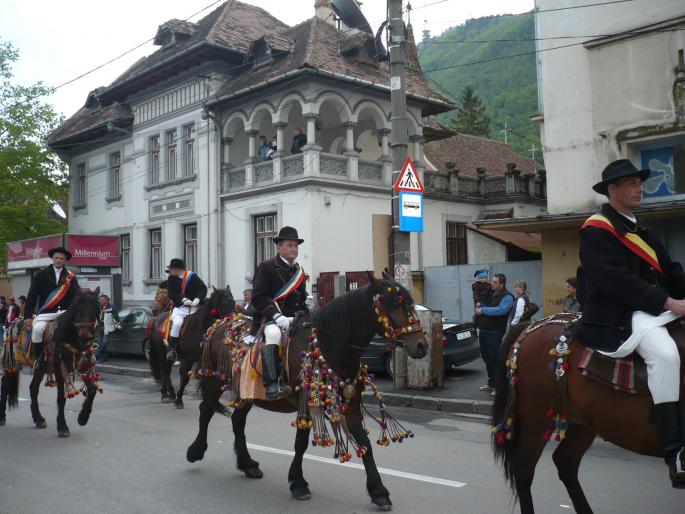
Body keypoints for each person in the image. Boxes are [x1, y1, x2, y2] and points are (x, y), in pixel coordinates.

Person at [576, 158, 685, 488]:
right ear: (613, 190)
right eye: (632, 184)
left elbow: (670, 270)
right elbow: (615, 282)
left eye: (640, 183)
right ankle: (675, 450)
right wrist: (667, 302)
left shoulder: (641, 228)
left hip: (651, 309)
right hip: (619, 314)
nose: (641, 188)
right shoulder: (596, 230)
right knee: (665, 355)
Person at [250, 226, 308, 398]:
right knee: (274, 335)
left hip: (295, 319)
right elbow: (258, 297)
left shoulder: (299, 271)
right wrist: (276, 316)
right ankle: (272, 383)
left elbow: (301, 298)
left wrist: (308, 301)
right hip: (270, 319)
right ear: (279, 247)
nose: (294, 249)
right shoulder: (266, 267)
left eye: (296, 246)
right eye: (290, 245)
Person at [23, 247, 81, 361]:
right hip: (46, 312)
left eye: (61, 259)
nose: (59, 260)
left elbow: (75, 298)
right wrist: (28, 316)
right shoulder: (41, 275)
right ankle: (38, 359)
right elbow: (32, 296)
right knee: (37, 330)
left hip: (64, 313)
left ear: (65, 261)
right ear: (52, 259)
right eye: (56, 258)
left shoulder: (71, 277)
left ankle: (76, 359)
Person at [475, 273, 513, 395]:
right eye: (493, 281)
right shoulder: (491, 294)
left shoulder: (507, 297)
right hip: (484, 331)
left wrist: (483, 310)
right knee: (487, 358)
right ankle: (491, 383)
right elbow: (486, 305)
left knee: (496, 359)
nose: (492, 284)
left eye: (495, 282)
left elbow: (501, 310)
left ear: (502, 284)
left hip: (495, 332)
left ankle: (500, 386)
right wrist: (480, 305)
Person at [165, 258, 207, 362]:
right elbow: (172, 293)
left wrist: (198, 298)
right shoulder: (171, 279)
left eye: (172, 269)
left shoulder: (192, 276)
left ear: (177, 269)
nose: (171, 271)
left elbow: (203, 288)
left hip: (194, 307)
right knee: (177, 324)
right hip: (180, 308)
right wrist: (183, 300)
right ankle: (172, 350)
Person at [95, 294, 121, 363]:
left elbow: (116, 317)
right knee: (101, 343)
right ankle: (104, 358)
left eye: (102, 300)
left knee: (104, 342)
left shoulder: (112, 307)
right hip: (100, 326)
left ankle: (95, 355)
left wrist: (118, 325)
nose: (100, 301)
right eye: (99, 300)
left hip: (108, 327)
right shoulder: (99, 307)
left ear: (106, 300)